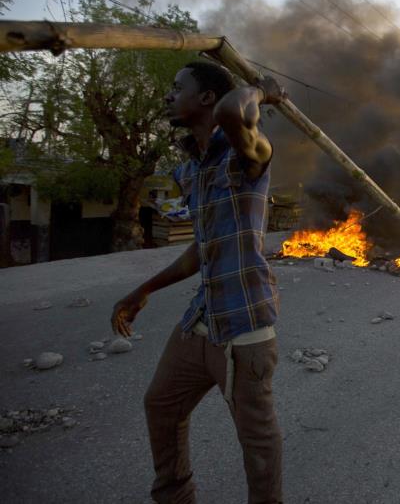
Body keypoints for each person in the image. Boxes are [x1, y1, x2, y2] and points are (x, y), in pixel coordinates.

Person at [111, 61, 287, 502]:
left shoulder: (250, 154)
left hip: (244, 326)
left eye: (177, 87)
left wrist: (263, 91)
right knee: (162, 405)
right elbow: (201, 248)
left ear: (205, 97)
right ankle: (175, 495)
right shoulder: (189, 171)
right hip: (201, 321)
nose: (168, 96)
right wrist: (143, 289)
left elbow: (233, 109)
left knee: (257, 442)